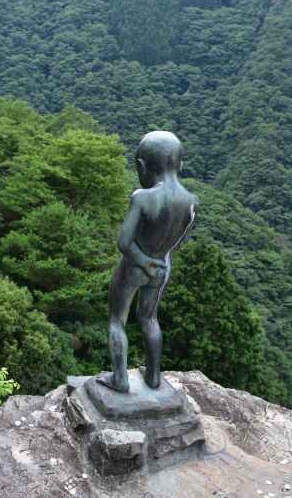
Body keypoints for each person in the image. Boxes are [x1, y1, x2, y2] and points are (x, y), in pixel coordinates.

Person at [96, 131, 199, 393]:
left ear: (142, 166)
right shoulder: (191, 202)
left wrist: (144, 261)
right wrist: (158, 259)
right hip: (163, 266)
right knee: (149, 318)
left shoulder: (141, 197)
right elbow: (181, 241)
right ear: (180, 165)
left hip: (134, 265)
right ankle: (153, 377)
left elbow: (124, 242)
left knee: (117, 320)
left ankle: (120, 379)